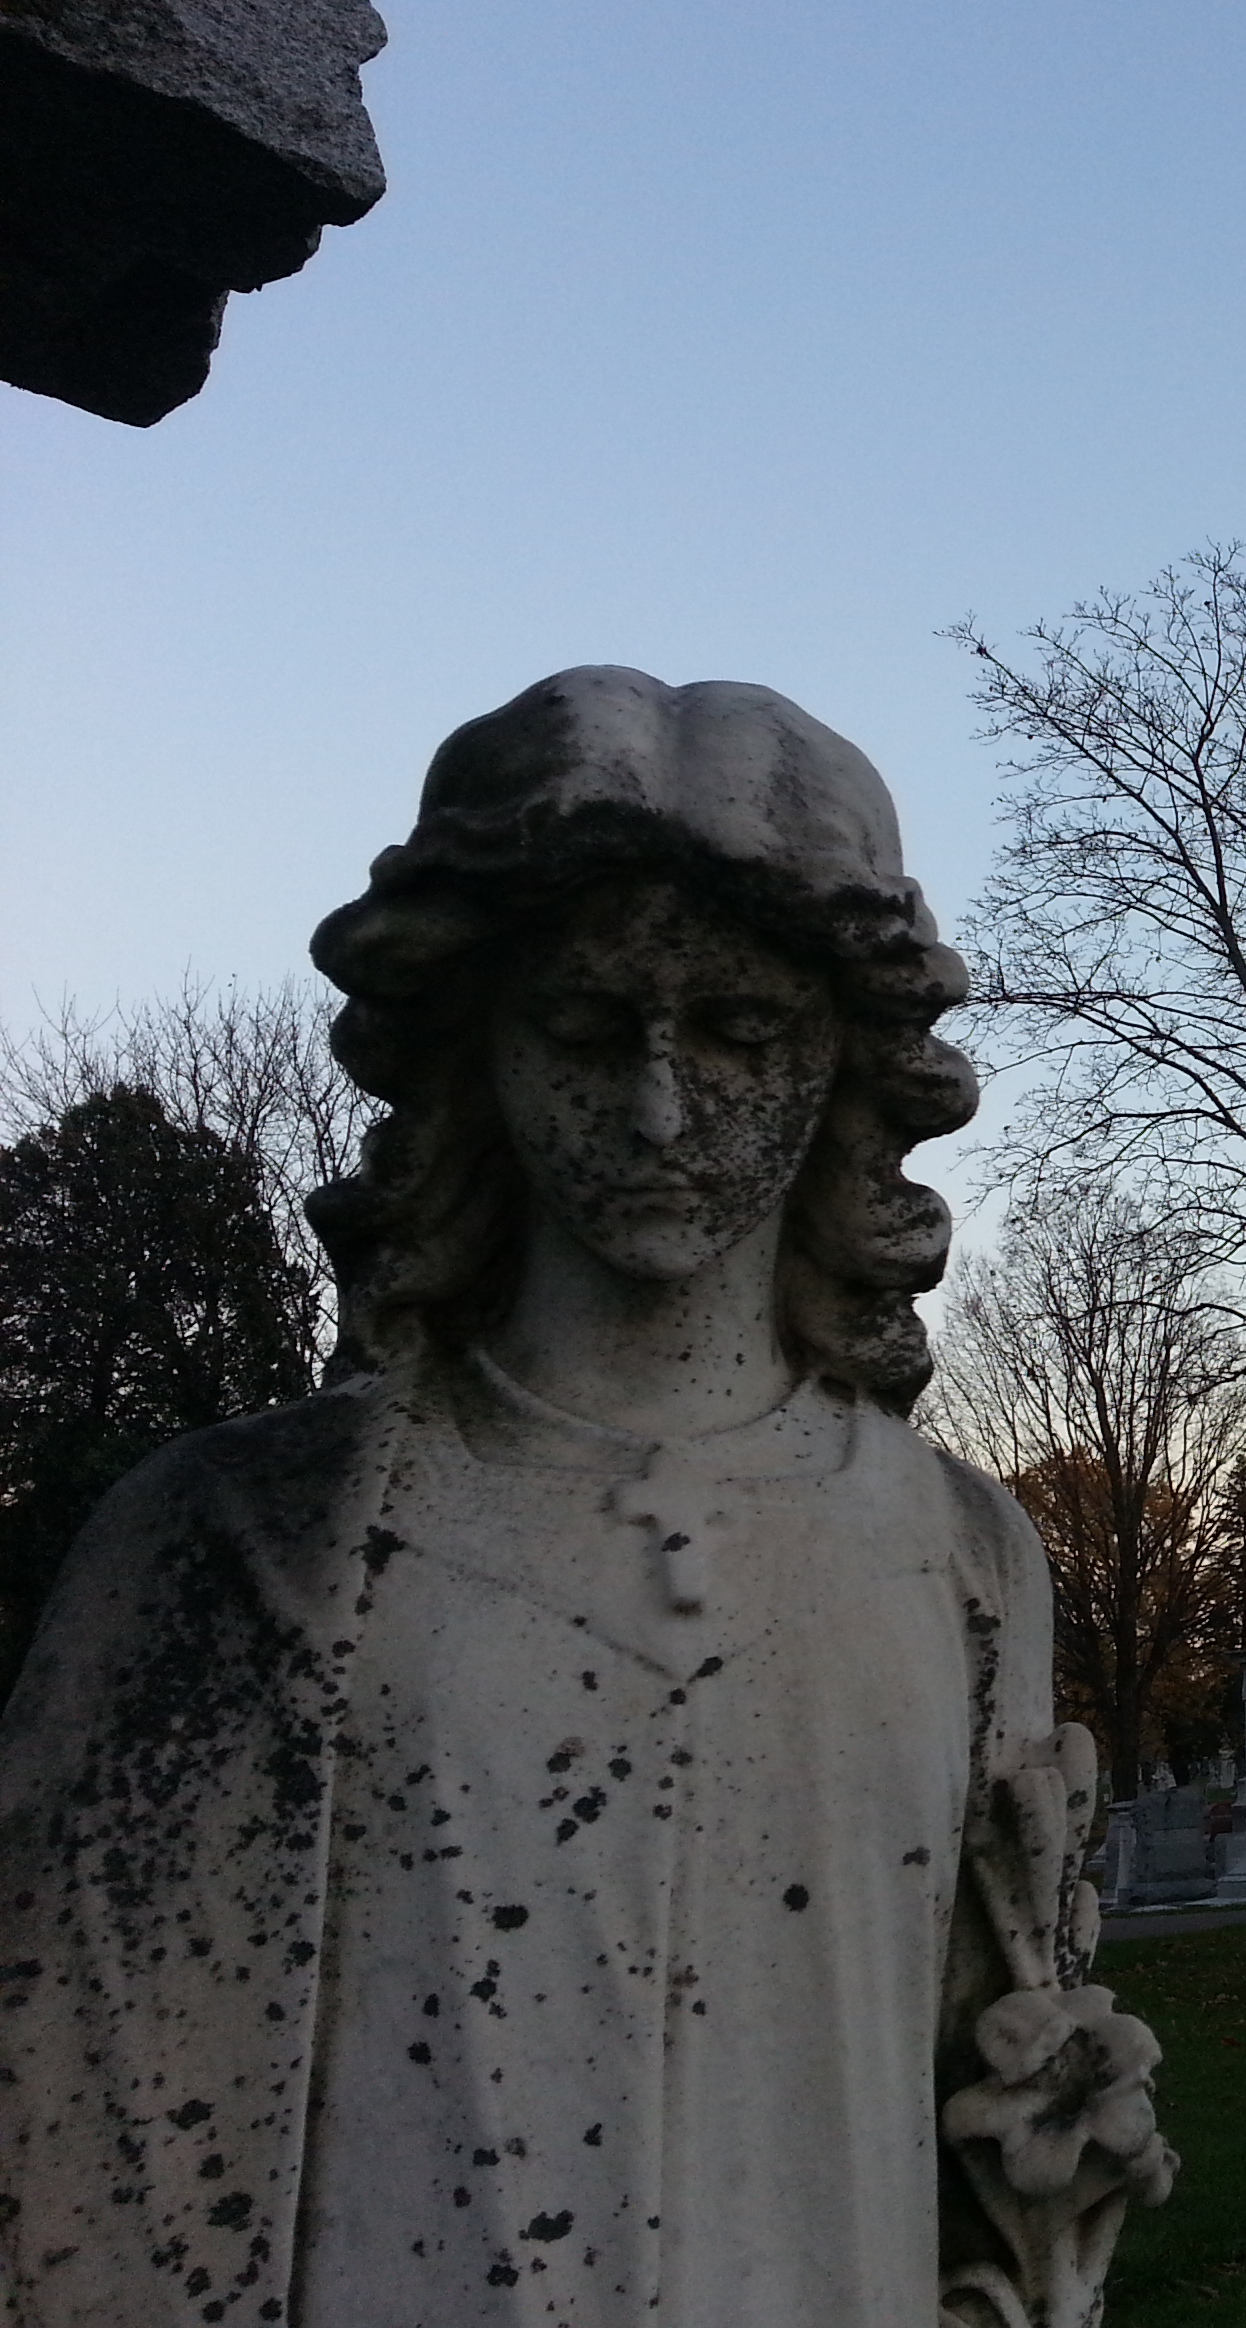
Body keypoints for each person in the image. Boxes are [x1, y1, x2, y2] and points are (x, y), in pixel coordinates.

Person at [0, 668, 1170, 2328]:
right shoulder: (245, 1542)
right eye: (584, 1028)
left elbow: (998, 2123)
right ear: (474, 1047)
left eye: (742, 1034)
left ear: (846, 1064)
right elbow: (80, 2178)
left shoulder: (965, 1555)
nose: (660, 1108)